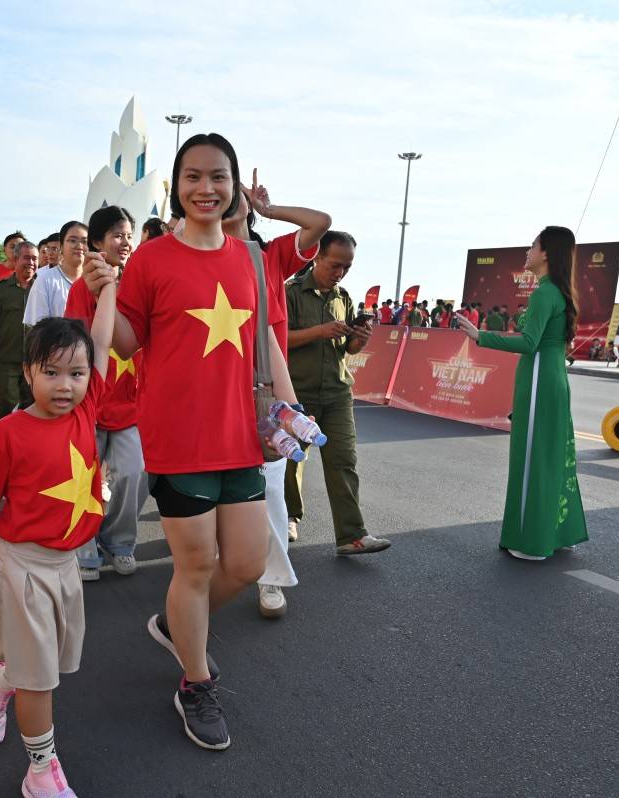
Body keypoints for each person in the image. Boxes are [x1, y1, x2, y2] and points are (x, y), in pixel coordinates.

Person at [87, 132, 275, 751]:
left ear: (236, 186)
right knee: (195, 566)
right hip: (177, 438)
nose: (206, 188)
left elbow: (265, 343)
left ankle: (176, 622)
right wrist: (105, 289)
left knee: (245, 564)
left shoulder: (250, 258)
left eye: (218, 177)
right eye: (193, 177)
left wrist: (288, 407)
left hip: (242, 436)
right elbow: (125, 345)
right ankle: (194, 682)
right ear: (176, 185)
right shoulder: (153, 259)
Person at [0, 267, 117, 798]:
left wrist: (108, 290)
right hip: (18, 564)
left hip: (66, 564)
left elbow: (103, 341)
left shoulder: (88, 409)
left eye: (77, 374)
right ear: (28, 373)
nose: (66, 385)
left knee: (36, 663)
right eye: (53, 373)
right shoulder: (7, 434)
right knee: (39, 675)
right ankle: (41, 770)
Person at [220, 168, 330, 617]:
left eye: (232, 189)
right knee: (213, 490)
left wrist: (268, 209)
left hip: (265, 392)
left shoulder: (271, 256)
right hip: (215, 391)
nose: (228, 197)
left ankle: (271, 579)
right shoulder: (196, 255)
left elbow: (319, 222)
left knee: (270, 490)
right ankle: (212, 572)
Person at [458, 226, 589, 560]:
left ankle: (532, 542)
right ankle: (558, 533)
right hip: (553, 380)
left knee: (532, 460)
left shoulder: (545, 293)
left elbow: (530, 343)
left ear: (546, 254)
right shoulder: (558, 292)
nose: (527, 252)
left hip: (538, 384)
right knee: (553, 458)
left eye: (532, 246)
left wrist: (480, 336)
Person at [285, 231, 391, 558]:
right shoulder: (289, 293)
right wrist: (319, 331)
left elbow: (347, 349)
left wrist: (360, 339)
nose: (340, 273)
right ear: (316, 256)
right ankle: (288, 516)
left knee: (344, 461)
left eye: (347, 267)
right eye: (335, 265)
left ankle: (351, 534)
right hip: (296, 393)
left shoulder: (343, 297)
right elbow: (277, 339)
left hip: (337, 392)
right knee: (290, 460)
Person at [64, 205, 149, 582]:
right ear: (97, 242)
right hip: (90, 405)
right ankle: (84, 546)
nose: (125, 241)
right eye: (116, 235)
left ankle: (119, 543)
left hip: (132, 406)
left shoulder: (141, 283)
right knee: (83, 478)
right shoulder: (84, 288)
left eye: (129, 234)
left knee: (135, 473)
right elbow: (76, 344)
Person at [0, 242, 38, 422]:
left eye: (34, 259)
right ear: (15, 259)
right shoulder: (1, 288)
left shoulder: (42, 286)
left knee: (32, 404)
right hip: (7, 358)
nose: (31, 262)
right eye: (26, 257)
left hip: (36, 359)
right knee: (6, 402)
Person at [24, 220, 87, 326]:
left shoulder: (97, 281)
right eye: (72, 240)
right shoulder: (44, 280)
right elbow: (38, 327)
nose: (79, 245)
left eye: (84, 241)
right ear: (61, 247)